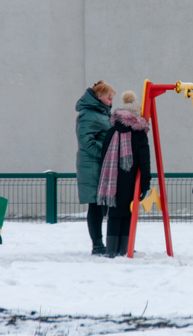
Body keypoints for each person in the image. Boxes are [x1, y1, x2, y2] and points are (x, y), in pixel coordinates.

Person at [97, 91, 151, 258]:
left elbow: (104, 156)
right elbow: (144, 161)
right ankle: (124, 249)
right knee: (128, 212)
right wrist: (145, 185)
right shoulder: (139, 134)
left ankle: (112, 249)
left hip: (111, 181)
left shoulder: (111, 131)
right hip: (129, 181)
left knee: (113, 214)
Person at [76, 80, 115, 255]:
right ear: (99, 96)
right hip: (92, 166)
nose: (111, 102)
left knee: (103, 205)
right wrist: (108, 153)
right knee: (95, 205)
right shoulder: (89, 114)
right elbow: (86, 141)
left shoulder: (100, 113)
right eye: (109, 98)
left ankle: (108, 243)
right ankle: (98, 245)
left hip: (99, 165)